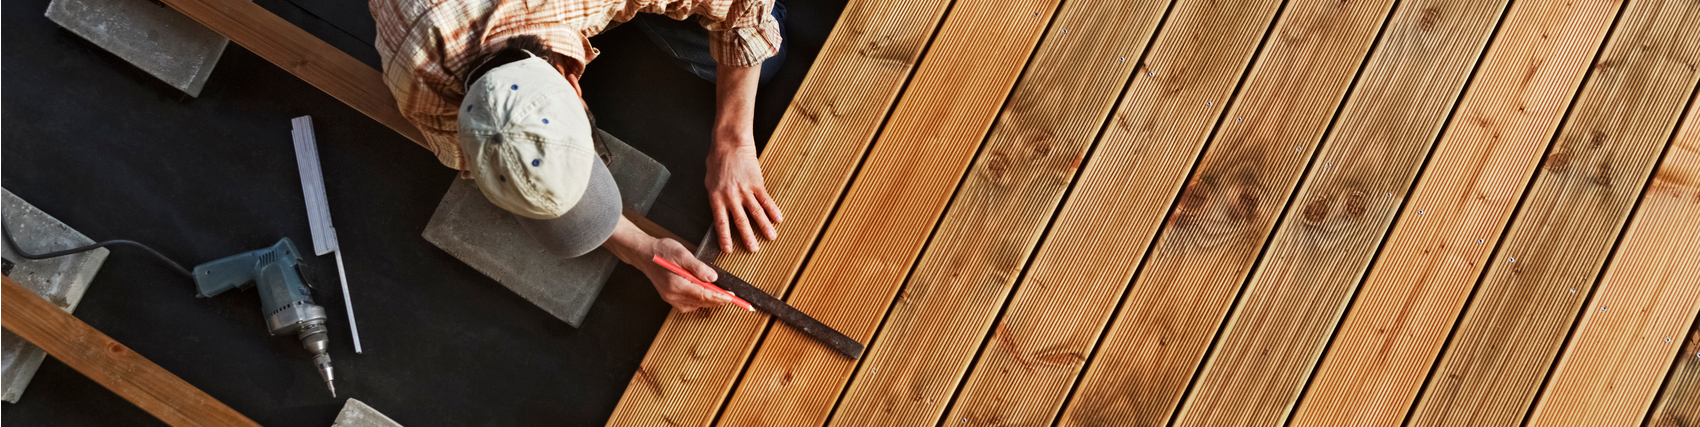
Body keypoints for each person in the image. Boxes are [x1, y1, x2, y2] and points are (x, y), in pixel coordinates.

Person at [370, 0, 788, 312]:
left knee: (765, 56)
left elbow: (744, 11)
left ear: (573, 85)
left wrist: (734, 141)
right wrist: (645, 252)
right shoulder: (417, 84)